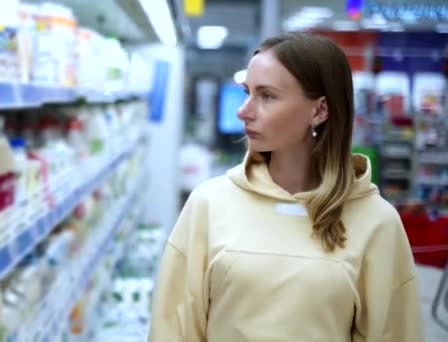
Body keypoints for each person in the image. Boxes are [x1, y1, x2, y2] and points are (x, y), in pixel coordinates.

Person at [148, 33, 423, 342]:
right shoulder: (209, 203)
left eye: (267, 95)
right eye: (247, 92)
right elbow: (173, 329)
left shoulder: (377, 221)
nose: (244, 111)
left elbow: (394, 333)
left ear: (319, 110)